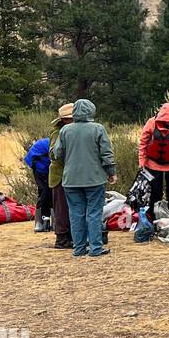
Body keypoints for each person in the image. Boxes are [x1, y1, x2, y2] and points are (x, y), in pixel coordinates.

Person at [52, 98, 117, 258]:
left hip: (71, 180)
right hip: (94, 178)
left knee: (75, 213)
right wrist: (111, 172)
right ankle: (95, 248)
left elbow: (57, 154)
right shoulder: (98, 129)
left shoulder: (65, 130)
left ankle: (79, 248)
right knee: (94, 213)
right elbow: (106, 153)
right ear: (91, 111)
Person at [47, 103, 75, 250]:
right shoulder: (57, 133)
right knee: (62, 208)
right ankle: (62, 238)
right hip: (60, 176)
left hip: (71, 175)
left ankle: (70, 236)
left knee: (71, 207)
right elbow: (53, 154)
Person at [23, 134, 53, 232]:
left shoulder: (50, 142)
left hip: (44, 167)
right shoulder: (50, 143)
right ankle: (41, 221)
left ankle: (46, 220)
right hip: (40, 168)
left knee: (48, 192)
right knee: (45, 191)